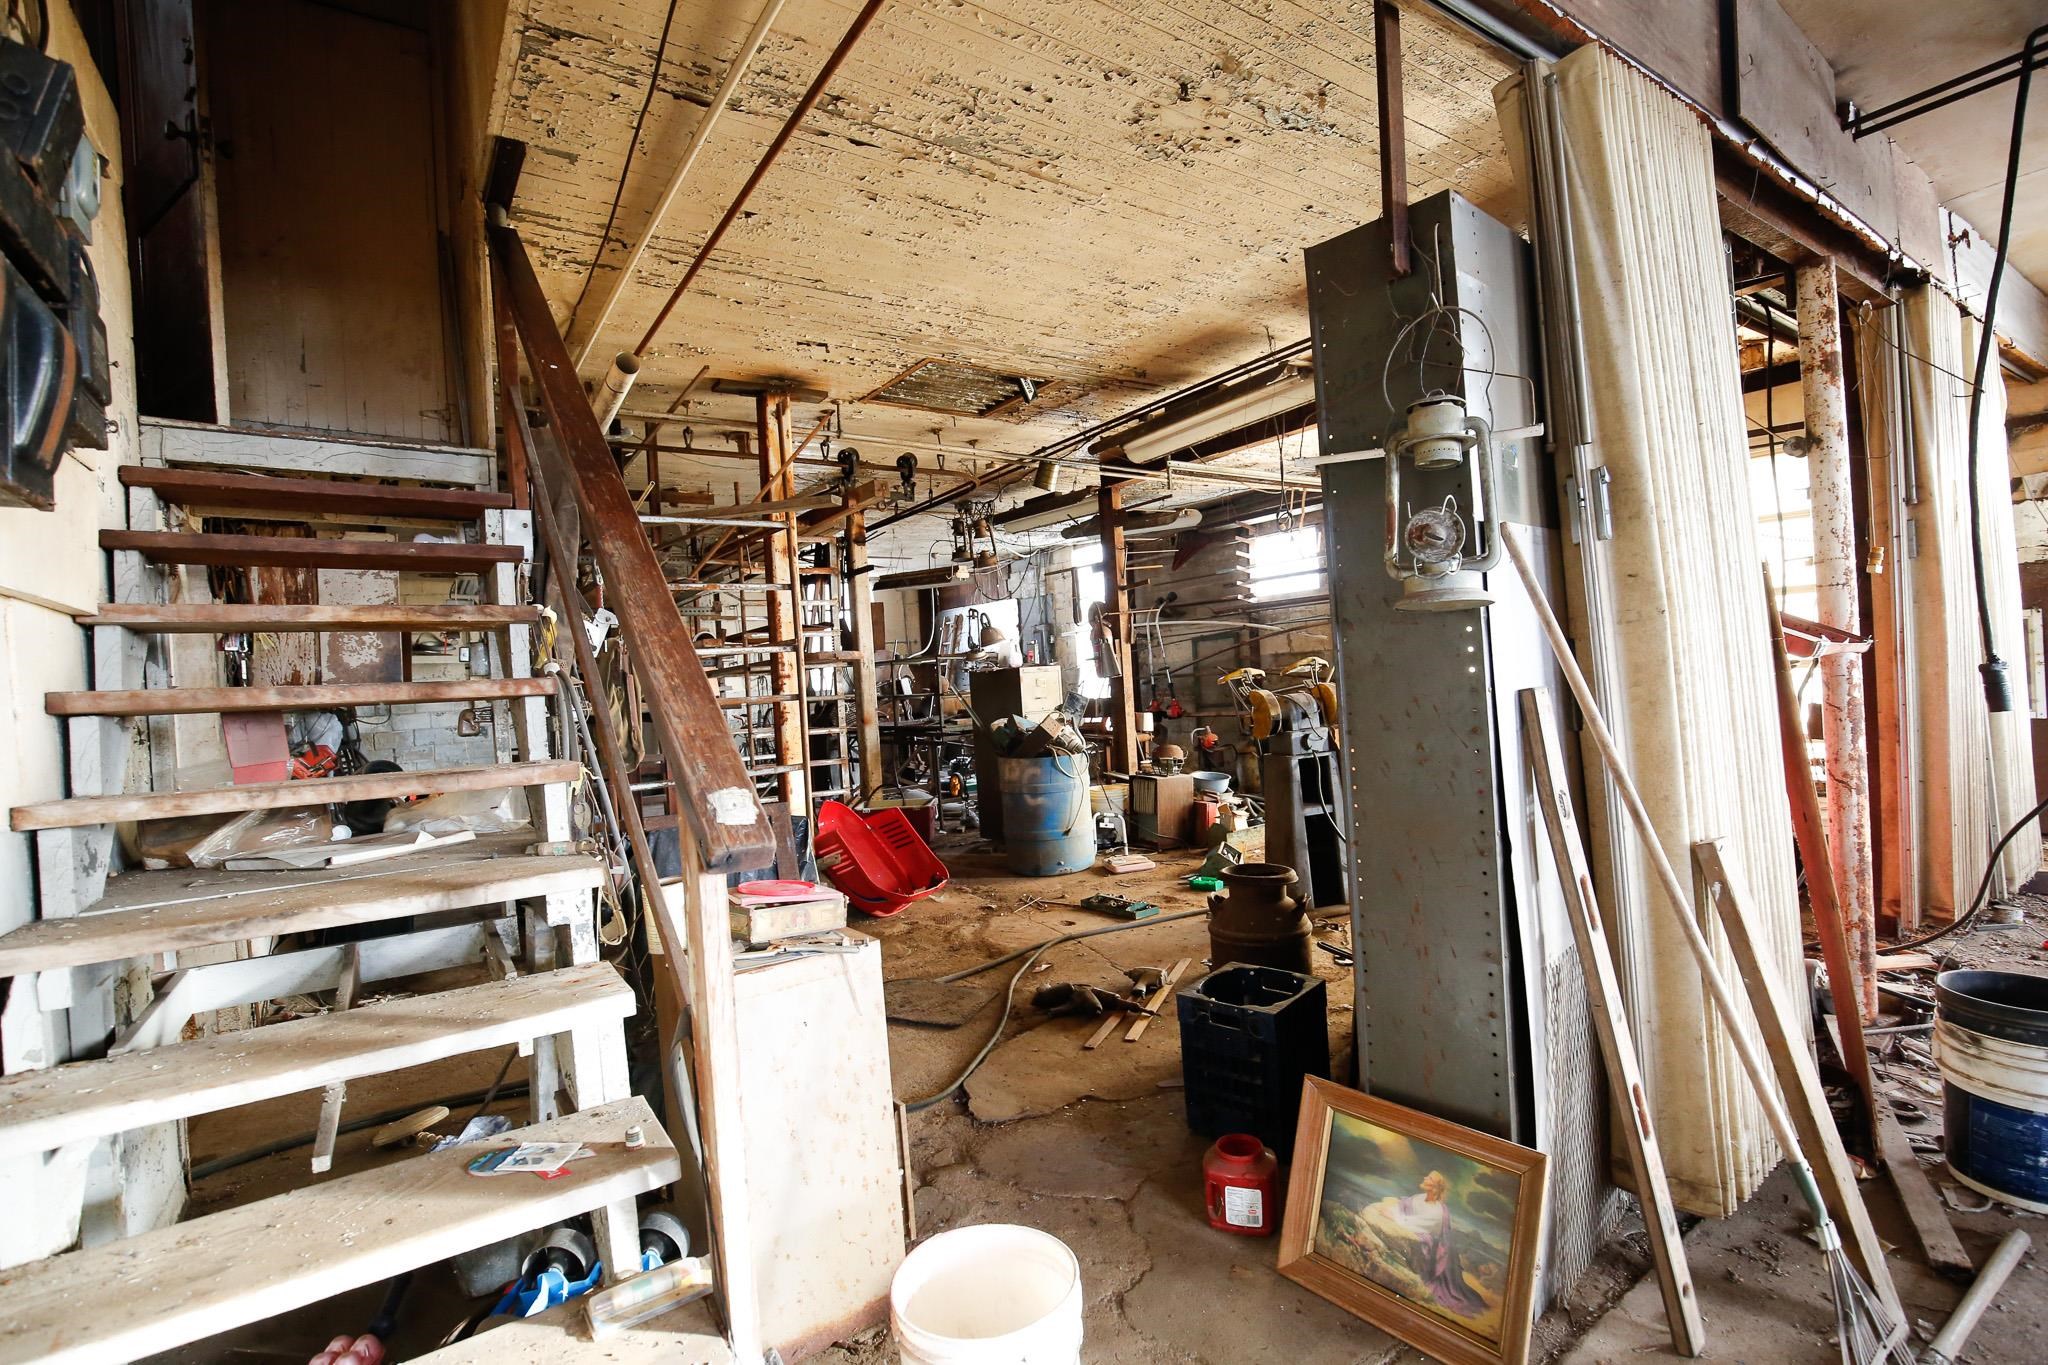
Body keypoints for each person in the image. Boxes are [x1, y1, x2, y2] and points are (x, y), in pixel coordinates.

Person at [1375, 1170, 1485, 1317]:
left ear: (1434, 1186)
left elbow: (1417, 1224)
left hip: (1432, 1250)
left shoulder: (1437, 1211)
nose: (1425, 1177)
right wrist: (1392, 1209)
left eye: (1429, 1178)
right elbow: (1406, 1206)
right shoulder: (1421, 1198)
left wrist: (1393, 1215)